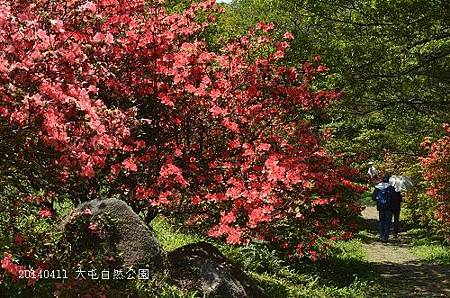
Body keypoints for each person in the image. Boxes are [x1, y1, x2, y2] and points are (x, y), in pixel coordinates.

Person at [372, 173, 395, 242]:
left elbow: (373, 197)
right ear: (388, 179)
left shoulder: (378, 187)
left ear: (382, 179)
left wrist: (378, 199)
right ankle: (385, 236)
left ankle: (381, 235)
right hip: (389, 208)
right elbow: (394, 198)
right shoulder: (391, 188)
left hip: (381, 207)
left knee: (381, 221)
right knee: (388, 222)